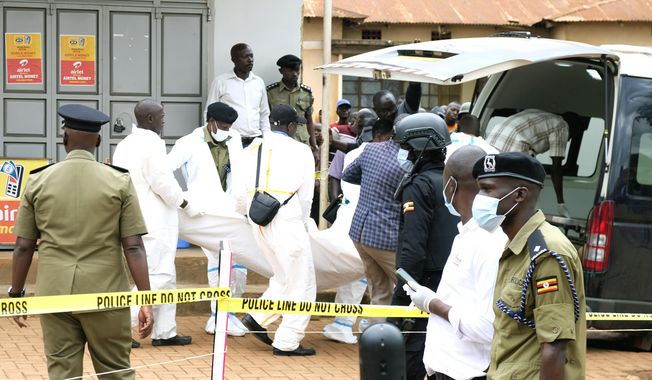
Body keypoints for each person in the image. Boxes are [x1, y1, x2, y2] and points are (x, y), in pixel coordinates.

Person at [11, 104, 153, 379]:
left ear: (64, 139)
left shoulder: (38, 181)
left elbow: (23, 246)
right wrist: (146, 298)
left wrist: (17, 295)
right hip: (106, 293)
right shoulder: (119, 181)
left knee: (63, 374)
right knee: (116, 372)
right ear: (98, 141)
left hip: (55, 295)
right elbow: (133, 246)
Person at [473, 152, 586, 379]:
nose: (479, 198)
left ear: (520, 195)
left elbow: (555, 347)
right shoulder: (516, 247)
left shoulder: (547, 253)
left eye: (487, 189)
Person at [404, 145, 508, 380]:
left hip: (466, 374)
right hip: (446, 370)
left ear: (450, 186)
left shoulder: (488, 242)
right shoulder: (467, 234)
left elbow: (488, 327)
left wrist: (433, 304)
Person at [113, 100, 193, 347]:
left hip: (134, 216)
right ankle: (122, 329)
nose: (164, 121)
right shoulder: (151, 145)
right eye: (161, 117)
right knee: (157, 275)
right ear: (149, 119)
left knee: (166, 274)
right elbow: (162, 183)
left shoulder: (125, 144)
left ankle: (165, 331)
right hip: (155, 218)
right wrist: (184, 202)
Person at [240, 104, 317, 356]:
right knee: (302, 282)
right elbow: (306, 196)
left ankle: (258, 316)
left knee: (284, 275)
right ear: (292, 126)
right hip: (287, 219)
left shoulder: (253, 147)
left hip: (257, 217)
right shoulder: (301, 150)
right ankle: (288, 341)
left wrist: (249, 214)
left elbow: (239, 190)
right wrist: (303, 223)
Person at [167, 101, 249, 336]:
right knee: (217, 261)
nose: (227, 130)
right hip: (204, 213)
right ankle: (217, 317)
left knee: (238, 263)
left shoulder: (234, 139)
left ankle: (229, 313)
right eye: (223, 125)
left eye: (230, 126)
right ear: (210, 122)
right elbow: (164, 171)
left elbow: (240, 173)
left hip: (232, 211)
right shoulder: (188, 143)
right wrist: (183, 200)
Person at [390, 113, 459, 380]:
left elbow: (413, 246)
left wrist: (402, 291)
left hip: (424, 282)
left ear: (419, 148)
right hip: (452, 277)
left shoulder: (418, 186)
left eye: (405, 149)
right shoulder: (453, 181)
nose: (402, 154)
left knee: (408, 357)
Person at [341, 117, 403, 325]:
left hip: (360, 233)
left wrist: (371, 180)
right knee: (409, 289)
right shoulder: (408, 162)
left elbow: (348, 174)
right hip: (385, 237)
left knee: (379, 290)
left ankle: (374, 339)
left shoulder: (371, 150)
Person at [485, 109, 574, 217]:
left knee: (494, 182)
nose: (569, 140)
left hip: (493, 137)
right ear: (574, 126)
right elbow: (556, 167)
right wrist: (561, 203)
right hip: (514, 142)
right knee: (523, 190)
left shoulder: (541, 115)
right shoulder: (562, 125)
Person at [206, 43, 270, 147]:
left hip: (256, 141)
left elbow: (264, 113)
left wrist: (267, 138)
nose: (250, 60)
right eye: (245, 57)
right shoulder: (221, 82)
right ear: (234, 59)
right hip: (230, 141)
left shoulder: (259, 82)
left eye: (251, 56)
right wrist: (212, 139)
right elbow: (209, 112)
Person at [267, 54, 318, 157]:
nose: (295, 74)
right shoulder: (271, 92)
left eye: (297, 70)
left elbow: (309, 120)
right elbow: (266, 119)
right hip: (278, 144)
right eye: (290, 70)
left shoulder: (306, 93)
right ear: (281, 71)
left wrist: (314, 146)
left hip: (301, 142)